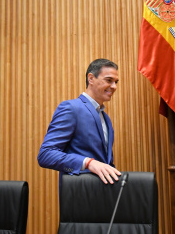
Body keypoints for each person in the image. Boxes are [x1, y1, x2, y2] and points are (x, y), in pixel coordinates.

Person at [37, 58, 121, 187]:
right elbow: (46, 155)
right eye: (109, 80)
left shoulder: (106, 118)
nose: (114, 86)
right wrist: (89, 163)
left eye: (116, 82)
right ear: (91, 78)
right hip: (79, 195)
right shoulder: (71, 108)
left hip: (103, 196)